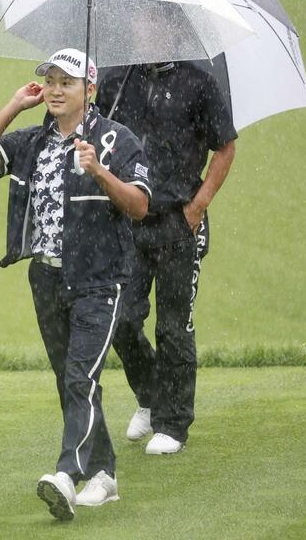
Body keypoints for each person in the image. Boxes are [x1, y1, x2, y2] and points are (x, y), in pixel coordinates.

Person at [0, 48, 152, 521]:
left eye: (66, 82)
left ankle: (68, 473)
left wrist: (99, 171)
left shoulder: (116, 140)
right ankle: (105, 475)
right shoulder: (34, 142)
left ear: (90, 90)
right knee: (72, 380)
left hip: (99, 279)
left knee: (79, 376)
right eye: (49, 80)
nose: (54, 89)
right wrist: (14, 105)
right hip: (46, 276)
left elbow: (139, 206)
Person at [96, 58, 236, 455]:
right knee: (120, 319)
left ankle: (172, 424)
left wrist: (198, 206)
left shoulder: (199, 83)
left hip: (179, 221)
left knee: (173, 327)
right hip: (129, 220)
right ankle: (152, 394)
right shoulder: (117, 80)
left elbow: (225, 148)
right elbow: (97, 133)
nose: (148, 29)